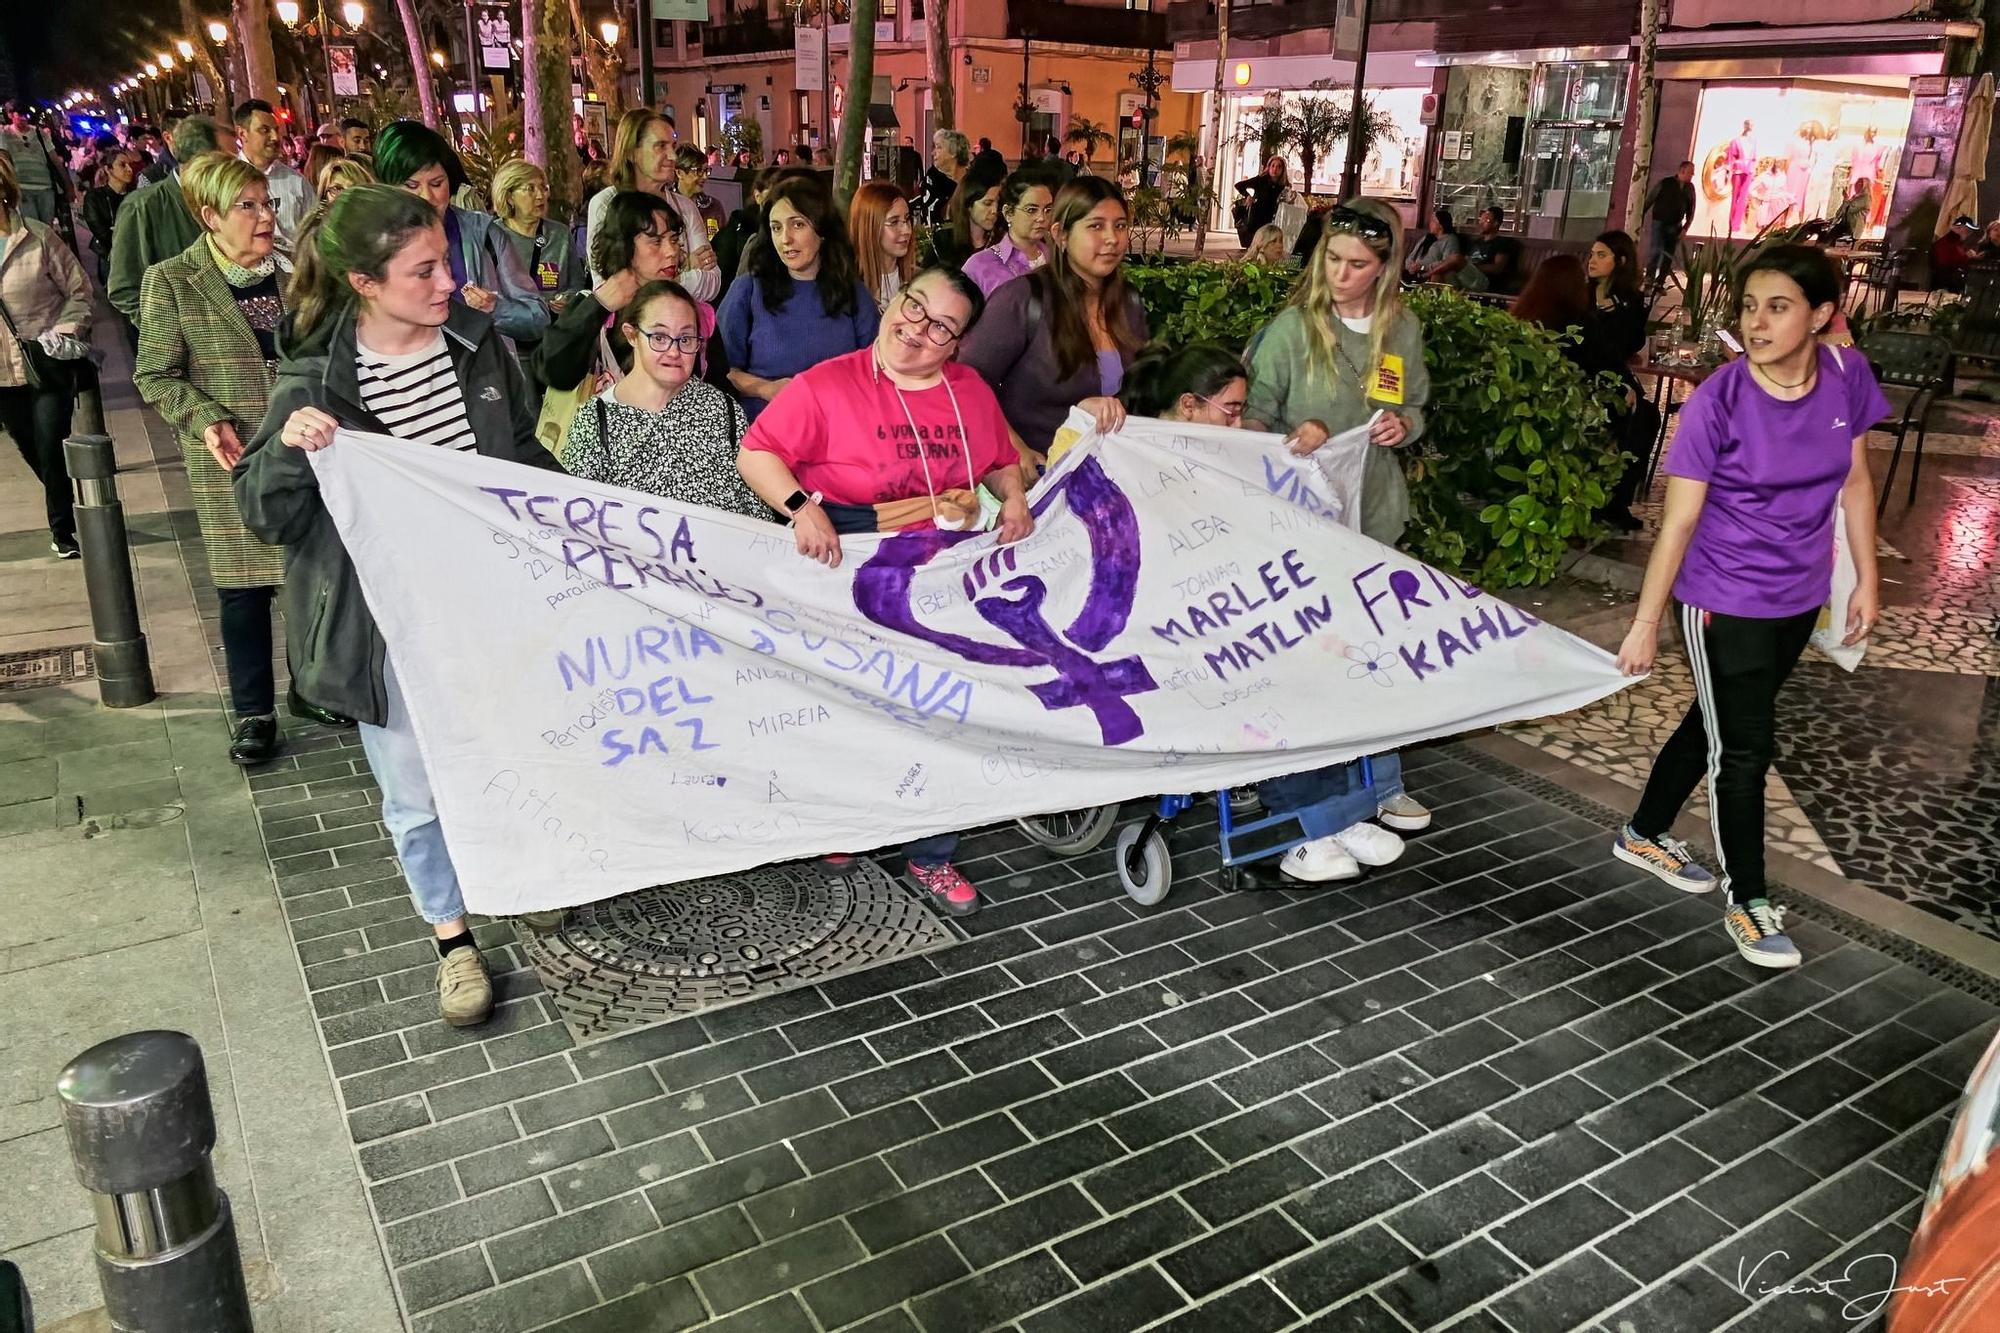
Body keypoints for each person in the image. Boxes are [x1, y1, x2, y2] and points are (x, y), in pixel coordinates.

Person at [236, 185, 563, 1029]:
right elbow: (263, 515)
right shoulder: (317, 379)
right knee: (416, 790)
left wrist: (582, 526)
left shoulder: (479, 347)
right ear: (364, 282)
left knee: (516, 751)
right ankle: (454, 937)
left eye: (445, 261)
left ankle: (522, 877)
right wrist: (290, 448)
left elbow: (520, 457)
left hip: (490, 608)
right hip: (387, 629)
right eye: (423, 270)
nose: (448, 282)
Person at [1612, 245, 1886, 970]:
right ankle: (1750, 900)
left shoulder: (1846, 374)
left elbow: (1856, 481)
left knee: (1716, 719)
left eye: (1778, 306)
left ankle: (1643, 830)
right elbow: (1677, 522)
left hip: (1797, 596)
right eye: (1749, 306)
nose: (1756, 322)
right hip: (1720, 600)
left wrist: (1867, 577)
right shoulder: (1719, 400)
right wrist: (1645, 622)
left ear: (1823, 315)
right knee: (1744, 746)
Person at [736, 266, 1033, 917]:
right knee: (855, 709)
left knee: (943, 712)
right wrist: (798, 508)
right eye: (913, 306)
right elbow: (756, 452)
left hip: (942, 575)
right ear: (893, 300)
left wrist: (1012, 497)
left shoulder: (970, 390)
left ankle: (932, 851)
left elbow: (999, 462)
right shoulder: (828, 383)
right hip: (850, 567)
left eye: (942, 327)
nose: (917, 329)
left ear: (957, 344)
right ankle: (850, 827)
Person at [1123, 340, 1404, 883]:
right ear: (1188, 405)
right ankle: (1308, 825)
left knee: (1338, 654)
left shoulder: (1232, 444)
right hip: (1178, 624)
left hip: (1244, 603)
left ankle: (1345, 813)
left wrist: (1312, 437)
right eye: (1230, 408)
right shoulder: (1140, 453)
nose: (1241, 419)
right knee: (1274, 678)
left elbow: (1283, 453)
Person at [1243, 197, 1436, 847]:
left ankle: (1381, 783)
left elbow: (1414, 404)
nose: (1341, 274)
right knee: (1318, 656)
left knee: (1374, 650)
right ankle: (1324, 793)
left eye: (1358, 264)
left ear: (1384, 268)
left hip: (1373, 514)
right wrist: (1292, 436)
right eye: (1332, 259)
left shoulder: (1399, 330)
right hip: (1305, 521)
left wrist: (1403, 424)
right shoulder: (1293, 330)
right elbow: (1249, 418)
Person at [132, 153, 309, 764]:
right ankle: (254, 713)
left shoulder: (297, 274)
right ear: (210, 216)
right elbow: (155, 374)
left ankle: (311, 688)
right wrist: (206, 417)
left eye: (269, 203)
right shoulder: (173, 281)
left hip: (302, 451)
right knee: (244, 590)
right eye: (249, 207)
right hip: (230, 459)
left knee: (307, 577)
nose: (265, 217)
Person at [959, 176, 1147, 460]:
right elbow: (967, 382)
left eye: (1119, 226)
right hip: (1039, 478)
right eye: (1096, 226)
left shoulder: (1128, 302)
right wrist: (1015, 449)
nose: (1112, 238)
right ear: (1060, 235)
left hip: (1111, 474)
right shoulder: (1023, 298)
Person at [560, 278, 765, 516]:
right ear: (632, 335)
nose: (674, 351)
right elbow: (578, 519)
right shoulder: (596, 421)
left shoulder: (724, 411)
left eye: (686, 339)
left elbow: (756, 510)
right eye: (659, 337)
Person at [373, 120, 549, 346]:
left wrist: (494, 307)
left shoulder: (484, 235)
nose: (427, 197)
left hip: (479, 376)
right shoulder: (373, 244)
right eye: (412, 185)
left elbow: (537, 317)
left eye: (437, 183)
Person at [718, 175, 879, 422]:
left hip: (838, 428)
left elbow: (876, 371)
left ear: (822, 230)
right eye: (776, 228)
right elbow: (724, 372)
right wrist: (767, 389)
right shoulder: (748, 290)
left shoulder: (854, 294)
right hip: (765, 431)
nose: (785, 239)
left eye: (798, 225)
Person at [534, 190, 714, 400]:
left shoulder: (693, 311)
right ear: (624, 246)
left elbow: (714, 385)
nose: (671, 252)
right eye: (656, 241)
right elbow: (554, 372)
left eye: (673, 240)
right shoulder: (596, 308)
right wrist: (598, 306)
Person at [0, 152, 92, 559]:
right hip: (3, 374)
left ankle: (64, 529)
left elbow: (79, 290)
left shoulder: (36, 237)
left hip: (46, 361)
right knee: (30, 447)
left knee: (51, 444)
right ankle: (67, 501)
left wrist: (65, 330)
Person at [108, 115, 240, 329]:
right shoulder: (142, 208)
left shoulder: (230, 200)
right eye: (228, 160)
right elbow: (124, 290)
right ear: (200, 159)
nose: (236, 168)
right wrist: (174, 334)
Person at [585, 110, 720, 301]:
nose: (673, 156)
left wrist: (649, 279)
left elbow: (712, 281)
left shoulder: (685, 207)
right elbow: (609, 288)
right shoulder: (605, 205)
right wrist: (684, 268)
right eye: (661, 146)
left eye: (673, 146)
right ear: (632, 152)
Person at [489, 158, 585, 313]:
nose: (540, 196)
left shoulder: (560, 234)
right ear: (509, 197)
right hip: (510, 330)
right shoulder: (492, 236)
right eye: (530, 189)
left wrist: (568, 298)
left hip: (553, 329)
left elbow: (577, 283)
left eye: (543, 188)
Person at [961, 168, 1055, 296]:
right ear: (1008, 213)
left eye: (1048, 210)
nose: (1042, 218)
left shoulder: (1054, 258)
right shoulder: (980, 266)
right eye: (1032, 210)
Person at [234, 100, 312, 246]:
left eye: (276, 129)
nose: (275, 137)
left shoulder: (297, 182)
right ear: (242, 134)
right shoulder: (225, 181)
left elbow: (314, 234)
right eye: (265, 130)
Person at [849, 180, 916, 311]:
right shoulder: (849, 287)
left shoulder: (920, 281)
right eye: (894, 222)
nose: (907, 230)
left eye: (907, 219)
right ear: (869, 227)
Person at [0, 104, 70, 226]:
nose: (23, 118)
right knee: (32, 227)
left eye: (25, 115)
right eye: (19, 114)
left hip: (45, 188)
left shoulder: (40, 134)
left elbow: (55, 160)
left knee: (47, 229)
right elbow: (4, 160)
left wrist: (68, 184)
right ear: (11, 115)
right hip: (23, 188)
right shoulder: (4, 134)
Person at [934, 156, 1007, 271]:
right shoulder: (943, 242)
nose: (994, 210)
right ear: (968, 204)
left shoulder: (1003, 241)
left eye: (998, 203)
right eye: (987, 203)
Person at [80, 147, 141, 282]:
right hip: (111, 254)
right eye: (122, 165)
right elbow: (100, 230)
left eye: (130, 164)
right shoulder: (95, 197)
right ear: (108, 169)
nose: (129, 169)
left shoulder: (137, 195)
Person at [1645, 160, 1697, 287]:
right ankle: (1649, 279)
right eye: (1690, 172)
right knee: (1656, 251)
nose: (1692, 175)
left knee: (1668, 255)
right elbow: (1649, 200)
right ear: (1682, 171)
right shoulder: (1665, 183)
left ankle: (1660, 281)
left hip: (1675, 226)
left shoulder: (1690, 188)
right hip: (1660, 223)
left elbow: (1691, 209)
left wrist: (1685, 228)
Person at [675, 144, 726, 245]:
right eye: (698, 171)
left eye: (706, 171)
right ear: (679, 173)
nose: (705, 177)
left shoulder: (713, 207)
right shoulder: (668, 206)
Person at [1234, 156, 1288, 247]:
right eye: (1273, 166)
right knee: (1256, 245)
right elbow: (1239, 185)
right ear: (1269, 167)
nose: (1275, 169)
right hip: (1257, 217)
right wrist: (1248, 196)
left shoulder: (1284, 185)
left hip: (1273, 219)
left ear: (1282, 170)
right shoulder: (1260, 180)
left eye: (1279, 167)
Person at [919, 129, 968, 227]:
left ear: (953, 152)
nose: (933, 153)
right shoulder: (931, 180)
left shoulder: (971, 180)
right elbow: (928, 216)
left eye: (939, 147)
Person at [1402, 206, 1459, 283]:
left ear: (1441, 225)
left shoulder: (1450, 240)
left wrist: (1423, 267)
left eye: (1433, 221)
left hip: (1431, 274)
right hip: (1413, 272)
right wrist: (1410, 266)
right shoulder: (1427, 237)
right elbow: (1412, 255)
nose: (1430, 224)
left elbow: (1447, 262)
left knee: (1436, 276)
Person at [1931, 215, 1976, 293]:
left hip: (1950, 281)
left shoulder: (1955, 242)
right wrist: (1966, 257)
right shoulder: (1946, 243)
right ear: (1960, 228)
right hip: (1945, 283)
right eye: (1968, 231)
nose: (1969, 234)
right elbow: (1945, 262)